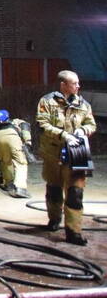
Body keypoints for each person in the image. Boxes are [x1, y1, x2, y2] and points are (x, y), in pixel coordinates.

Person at [36, 69, 96, 246]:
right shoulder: (47, 101)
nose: (78, 86)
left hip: (76, 153)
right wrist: (63, 135)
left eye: (78, 83)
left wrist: (83, 130)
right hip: (53, 154)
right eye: (74, 83)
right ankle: (54, 219)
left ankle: (73, 231)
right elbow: (42, 123)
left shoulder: (83, 104)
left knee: (75, 193)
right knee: (54, 189)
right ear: (63, 85)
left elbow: (91, 123)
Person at [0, 109, 33, 199]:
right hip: (12, 136)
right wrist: (28, 142)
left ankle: (9, 184)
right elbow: (25, 127)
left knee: (5, 162)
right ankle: (20, 188)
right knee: (21, 163)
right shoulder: (15, 121)